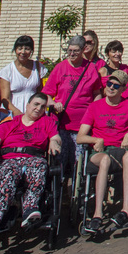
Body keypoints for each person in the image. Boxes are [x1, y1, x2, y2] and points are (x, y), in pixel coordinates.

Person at [0, 91, 61, 235]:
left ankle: (30, 208)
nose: (38, 109)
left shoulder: (47, 122)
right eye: (35, 104)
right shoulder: (11, 123)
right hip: (9, 159)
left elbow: (55, 137)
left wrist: (54, 142)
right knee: (10, 171)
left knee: (39, 167)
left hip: (34, 157)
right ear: (27, 105)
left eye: (42, 107)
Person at [77, 71, 128, 236]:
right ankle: (97, 214)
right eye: (109, 84)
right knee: (105, 160)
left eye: (116, 86)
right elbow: (80, 137)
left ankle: (126, 210)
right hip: (101, 152)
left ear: (123, 89)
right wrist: (95, 140)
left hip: (120, 150)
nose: (111, 88)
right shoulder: (95, 107)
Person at [42, 36, 103, 178]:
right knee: (62, 160)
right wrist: (54, 103)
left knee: (78, 161)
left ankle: (75, 191)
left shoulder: (91, 68)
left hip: (82, 125)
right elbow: (46, 95)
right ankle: (61, 191)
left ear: (83, 50)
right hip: (62, 122)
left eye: (76, 51)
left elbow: (96, 93)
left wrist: (94, 110)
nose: (72, 54)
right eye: (69, 50)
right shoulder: (60, 67)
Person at [0, 36, 47, 118]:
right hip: (14, 113)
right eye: (20, 48)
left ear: (31, 51)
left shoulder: (38, 67)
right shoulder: (7, 71)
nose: (23, 52)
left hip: (34, 112)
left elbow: (40, 92)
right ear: (15, 50)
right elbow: (5, 99)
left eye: (27, 49)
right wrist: (16, 113)